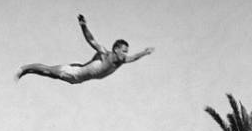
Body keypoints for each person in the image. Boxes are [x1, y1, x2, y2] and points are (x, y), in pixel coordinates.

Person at [16, 14, 154, 85]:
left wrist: (145, 52)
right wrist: (83, 26)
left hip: (78, 80)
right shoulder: (105, 53)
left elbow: (134, 57)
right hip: (74, 71)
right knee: (48, 70)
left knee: (48, 75)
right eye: (124, 51)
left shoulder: (122, 61)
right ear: (116, 49)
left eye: (126, 52)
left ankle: (28, 72)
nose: (125, 55)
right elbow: (91, 40)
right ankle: (24, 68)